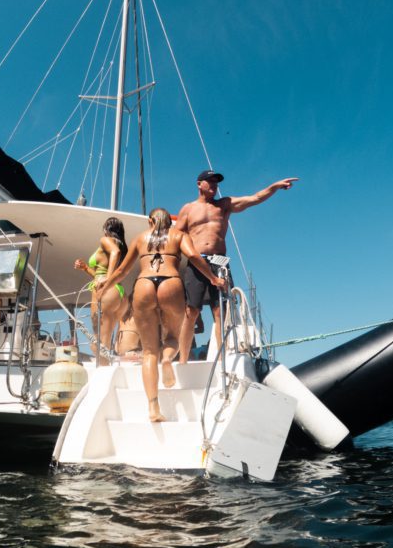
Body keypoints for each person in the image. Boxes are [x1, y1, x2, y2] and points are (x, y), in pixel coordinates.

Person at [98, 207, 225, 422]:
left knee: (148, 352)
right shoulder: (178, 235)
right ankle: (167, 359)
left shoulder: (140, 238)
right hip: (170, 282)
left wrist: (104, 287)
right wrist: (213, 278)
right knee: (174, 337)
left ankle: (153, 409)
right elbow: (193, 255)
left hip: (144, 284)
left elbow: (122, 271)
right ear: (169, 222)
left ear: (150, 221)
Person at [174, 170, 298, 363]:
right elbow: (176, 236)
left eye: (216, 182)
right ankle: (182, 360)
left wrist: (274, 186)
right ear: (199, 184)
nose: (214, 185)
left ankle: (222, 361)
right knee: (191, 312)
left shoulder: (224, 204)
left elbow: (255, 198)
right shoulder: (188, 209)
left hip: (219, 261)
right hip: (197, 262)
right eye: (210, 181)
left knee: (220, 313)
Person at [74, 217, 129, 364]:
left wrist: (108, 279)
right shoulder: (123, 245)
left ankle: (103, 375)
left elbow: (115, 252)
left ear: (106, 229)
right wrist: (86, 268)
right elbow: (100, 273)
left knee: (97, 344)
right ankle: (106, 370)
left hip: (107, 291)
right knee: (104, 342)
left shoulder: (106, 241)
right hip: (119, 293)